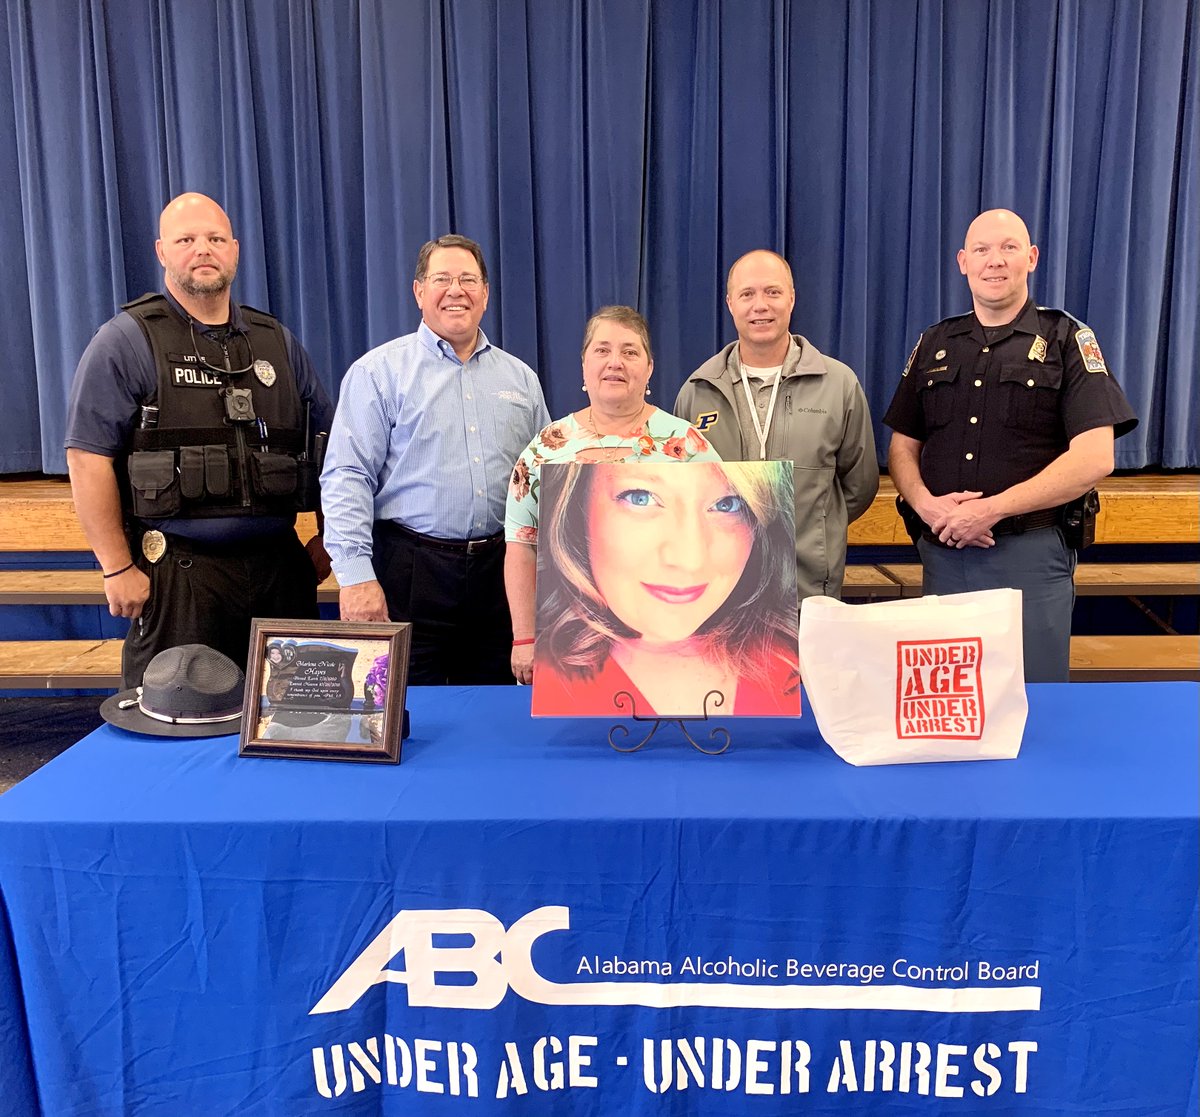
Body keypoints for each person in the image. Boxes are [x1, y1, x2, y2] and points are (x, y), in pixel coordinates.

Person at [65, 192, 332, 688]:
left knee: (296, 725)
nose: (202, 250)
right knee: (178, 734)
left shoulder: (277, 341)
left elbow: (329, 448)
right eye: (186, 240)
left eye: (214, 239)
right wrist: (116, 566)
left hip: (280, 573)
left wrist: (329, 539)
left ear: (235, 248)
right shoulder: (125, 341)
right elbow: (87, 457)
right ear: (162, 252)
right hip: (180, 581)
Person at [883, 208, 1137, 682]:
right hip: (943, 552)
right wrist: (927, 506)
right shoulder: (935, 342)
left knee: (1034, 707)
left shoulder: (1067, 339)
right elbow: (902, 445)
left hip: (1030, 558)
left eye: (1008, 247)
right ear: (962, 261)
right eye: (981, 250)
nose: (993, 261)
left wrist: (992, 509)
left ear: (1032, 257)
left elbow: (1095, 456)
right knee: (946, 709)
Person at [321, 234, 549, 684]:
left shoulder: (521, 379)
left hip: (500, 576)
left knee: (498, 718)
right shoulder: (377, 373)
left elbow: (542, 481)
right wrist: (353, 575)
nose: (456, 290)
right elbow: (347, 476)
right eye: (442, 279)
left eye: (468, 279)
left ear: (485, 293)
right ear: (419, 291)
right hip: (409, 573)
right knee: (407, 717)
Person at [504, 305, 723, 685]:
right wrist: (524, 637)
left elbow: (721, 534)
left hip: (673, 648)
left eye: (629, 351)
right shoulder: (545, 448)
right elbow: (521, 546)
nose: (615, 362)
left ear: (649, 367)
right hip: (567, 649)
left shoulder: (687, 445)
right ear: (584, 365)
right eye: (602, 350)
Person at [674, 249, 879, 604]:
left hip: (810, 592)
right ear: (730, 303)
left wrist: (814, 530)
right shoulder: (697, 391)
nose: (760, 305)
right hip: (722, 597)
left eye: (772, 292)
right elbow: (684, 491)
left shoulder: (839, 384)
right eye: (747, 294)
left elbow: (858, 487)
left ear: (792, 298)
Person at [529, 459, 800, 717]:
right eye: (640, 497)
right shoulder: (550, 685)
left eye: (727, 504)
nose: (690, 560)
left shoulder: (793, 670)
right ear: (578, 504)